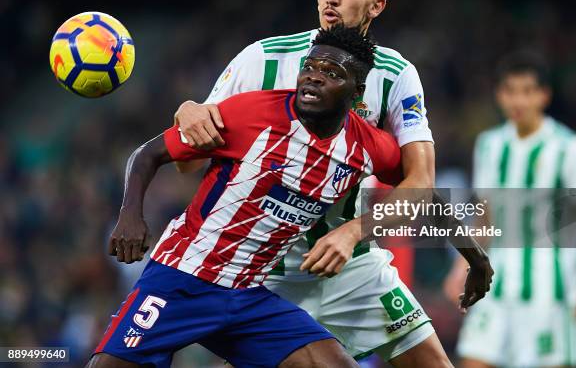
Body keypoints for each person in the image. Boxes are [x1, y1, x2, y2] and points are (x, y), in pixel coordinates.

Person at [175, 0, 492, 366]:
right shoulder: (263, 58)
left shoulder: (396, 75)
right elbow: (189, 162)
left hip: (354, 268)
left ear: (376, 5)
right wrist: (187, 113)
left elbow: (420, 182)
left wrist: (352, 231)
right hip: (262, 275)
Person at [87, 25, 406, 368]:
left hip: (250, 296)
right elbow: (148, 154)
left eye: (331, 73)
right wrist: (130, 213)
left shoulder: (368, 146)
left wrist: (473, 259)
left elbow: (422, 191)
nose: (313, 78)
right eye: (309, 67)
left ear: (357, 93)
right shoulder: (251, 113)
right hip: (184, 278)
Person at [443, 50, 576, 367]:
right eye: (511, 91)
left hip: (550, 292)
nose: (518, 101)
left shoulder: (568, 147)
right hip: (496, 283)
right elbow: (486, 215)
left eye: (528, 92)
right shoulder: (489, 145)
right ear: (499, 95)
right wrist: (460, 267)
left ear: (544, 95)